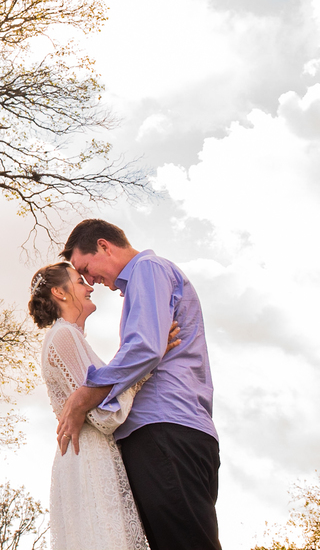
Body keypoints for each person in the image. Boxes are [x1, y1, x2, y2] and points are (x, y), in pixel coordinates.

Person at [56, 219, 221, 550]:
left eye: (86, 269)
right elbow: (149, 346)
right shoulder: (148, 279)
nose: (90, 281)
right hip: (175, 429)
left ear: (104, 246)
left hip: (164, 429)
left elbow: (145, 346)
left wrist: (84, 396)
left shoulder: (148, 268)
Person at [30, 261, 157, 550]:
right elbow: (103, 416)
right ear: (59, 292)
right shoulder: (65, 336)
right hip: (88, 454)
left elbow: (101, 394)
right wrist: (145, 368)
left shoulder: (67, 336)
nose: (90, 287)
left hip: (84, 454)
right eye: (80, 281)